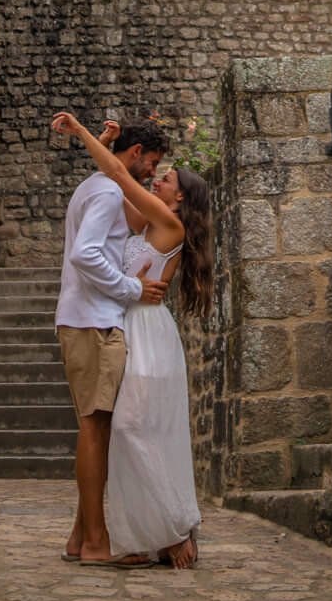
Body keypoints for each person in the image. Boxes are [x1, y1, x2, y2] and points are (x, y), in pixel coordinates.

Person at [52, 110, 212, 570]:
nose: (156, 178)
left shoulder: (167, 224)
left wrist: (82, 133)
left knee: (127, 429)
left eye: (165, 178)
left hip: (143, 328)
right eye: (155, 169)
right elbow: (108, 184)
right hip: (124, 323)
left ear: (179, 197)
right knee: (116, 430)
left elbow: (117, 174)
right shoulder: (142, 220)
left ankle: (173, 530)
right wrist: (101, 141)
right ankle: (99, 535)